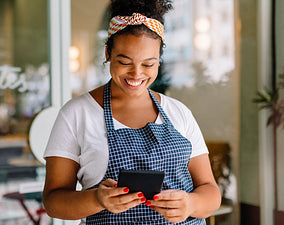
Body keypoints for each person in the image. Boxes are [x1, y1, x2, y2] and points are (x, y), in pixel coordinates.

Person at [42, 0, 221, 224]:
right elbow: (53, 202)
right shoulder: (76, 114)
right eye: (124, 61)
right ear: (108, 52)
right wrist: (97, 199)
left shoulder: (179, 112)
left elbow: (211, 192)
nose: (136, 74)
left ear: (159, 61)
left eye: (148, 64)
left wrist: (191, 204)